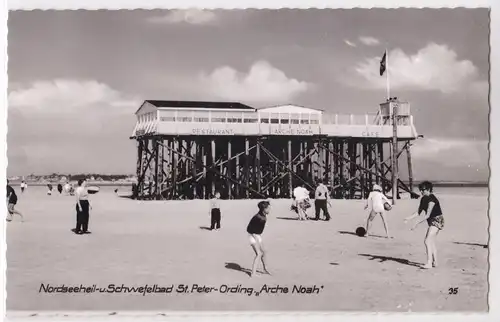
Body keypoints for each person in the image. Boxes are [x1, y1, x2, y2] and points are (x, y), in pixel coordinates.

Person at [404, 181, 443, 269]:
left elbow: (427, 215)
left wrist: (416, 223)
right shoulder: (423, 199)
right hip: (431, 220)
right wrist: (408, 218)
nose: (421, 192)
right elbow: (418, 212)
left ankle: (429, 263)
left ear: (429, 189)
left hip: (437, 220)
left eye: (423, 190)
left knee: (427, 241)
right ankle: (435, 262)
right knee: (431, 241)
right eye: (420, 190)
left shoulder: (432, 199)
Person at [246, 201, 271, 277]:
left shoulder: (263, 216)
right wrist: (255, 238)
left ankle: (265, 269)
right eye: (268, 208)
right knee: (259, 254)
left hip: (257, 235)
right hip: (252, 236)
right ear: (264, 209)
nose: (269, 210)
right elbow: (249, 228)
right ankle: (253, 273)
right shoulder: (257, 217)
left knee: (264, 251)